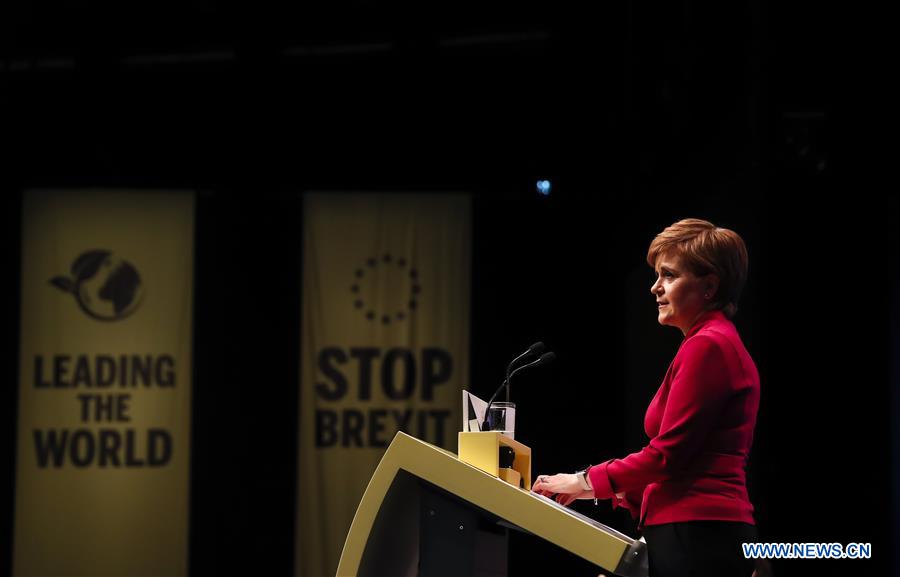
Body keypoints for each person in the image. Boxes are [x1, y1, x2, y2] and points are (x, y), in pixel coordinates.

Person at [532, 218, 763, 577]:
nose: (655, 287)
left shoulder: (709, 346)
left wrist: (584, 480)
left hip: (698, 534)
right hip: (697, 531)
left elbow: (667, 457)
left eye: (669, 275)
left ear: (709, 286)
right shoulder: (710, 341)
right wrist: (605, 490)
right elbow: (685, 461)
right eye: (657, 275)